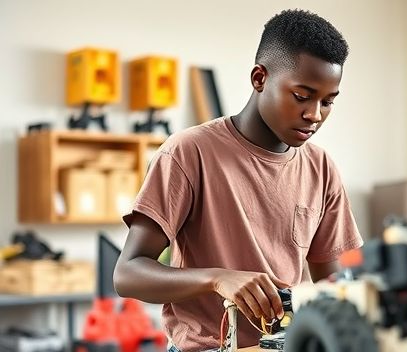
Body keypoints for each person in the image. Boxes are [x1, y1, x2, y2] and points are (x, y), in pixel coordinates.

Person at [113, 8, 363, 352]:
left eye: (328, 102)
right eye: (302, 97)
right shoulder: (189, 152)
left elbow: (332, 286)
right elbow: (127, 274)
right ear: (259, 78)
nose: (314, 115)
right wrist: (218, 279)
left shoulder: (321, 168)